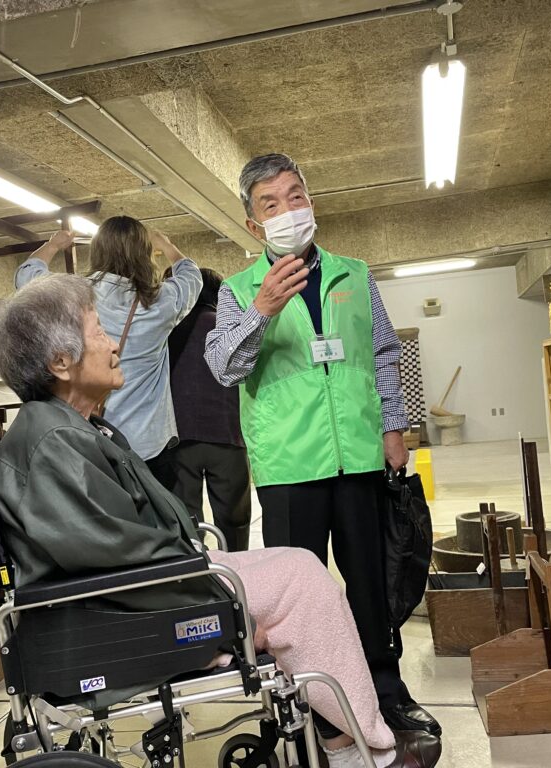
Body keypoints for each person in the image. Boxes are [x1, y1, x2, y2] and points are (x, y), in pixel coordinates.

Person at [0, 274, 442, 768]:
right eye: (98, 331)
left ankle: (344, 734)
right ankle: (359, 749)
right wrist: (215, 593)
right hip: (134, 605)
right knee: (301, 583)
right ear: (60, 362)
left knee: (296, 563)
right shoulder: (53, 442)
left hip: (153, 581)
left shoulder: (71, 428)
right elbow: (112, 555)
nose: (114, 344)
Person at [205, 154, 441, 739]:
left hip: (358, 455)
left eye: (296, 196)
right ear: (255, 225)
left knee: (371, 585)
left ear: (310, 201)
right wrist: (262, 309)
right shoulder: (237, 291)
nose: (288, 210)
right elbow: (224, 368)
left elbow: (383, 354)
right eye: (271, 204)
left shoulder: (354, 275)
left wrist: (393, 430)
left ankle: (385, 691)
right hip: (289, 466)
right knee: (296, 603)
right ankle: (309, 708)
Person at [86, 216, 202, 490]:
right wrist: (167, 245)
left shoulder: (74, 295)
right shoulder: (162, 300)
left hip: (93, 439)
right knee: (158, 514)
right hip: (150, 444)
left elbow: (27, 277)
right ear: (144, 253)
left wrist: (54, 245)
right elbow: (192, 276)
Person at [166, 266, 253, 551]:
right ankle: (236, 569)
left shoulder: (164, 330)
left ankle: (197, 573)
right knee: (234, 521)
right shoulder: (226, 328)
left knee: (187, 523)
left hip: (178, 439)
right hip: (228, 436)